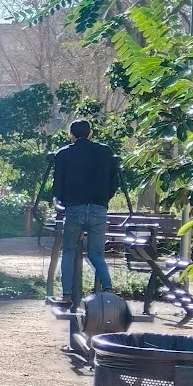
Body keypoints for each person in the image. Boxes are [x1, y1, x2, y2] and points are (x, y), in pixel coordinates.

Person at [51, 119, 119, 306]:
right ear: (90, 133)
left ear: (71, 135)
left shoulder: (63, 154)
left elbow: (57, 187)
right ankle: (108, 290)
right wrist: (104, 199)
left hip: (74, 208)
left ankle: (66, 294)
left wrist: (63, 202)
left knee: (69, 251)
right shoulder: (105, 152)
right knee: (96, 254)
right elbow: (114, 181)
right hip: (98, 208)